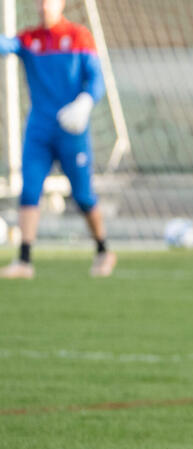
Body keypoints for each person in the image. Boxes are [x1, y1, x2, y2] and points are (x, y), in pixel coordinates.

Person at [0, 0, 114, 279]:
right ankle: (25, 261)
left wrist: (85, 103)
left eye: (48, 1)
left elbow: (96, 79)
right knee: (29, 191)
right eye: (38, 1)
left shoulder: (79, 37)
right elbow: (5, 45)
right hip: (39, 130)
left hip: (71, 130)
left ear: (61, 4)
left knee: (83, 196)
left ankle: (103, 249)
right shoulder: (29, 40)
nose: (42, 6)